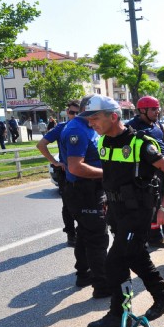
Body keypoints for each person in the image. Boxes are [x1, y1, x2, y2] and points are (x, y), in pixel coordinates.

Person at [81, 95, 164, 327]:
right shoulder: (103, 142)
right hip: (117, 212)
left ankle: (118, 313)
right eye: (89, 119)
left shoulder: (140, 143)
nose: (91, 123)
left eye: (94, 118)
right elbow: (111, 175)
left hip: (138, 214)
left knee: (114, 262)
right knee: (136, 257)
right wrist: (107, 200)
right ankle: (161, 299)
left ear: (113, 117)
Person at [60, 94, 110, 298]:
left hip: (92, 188)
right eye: (102, 113)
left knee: (85, 235)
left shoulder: (89, 127)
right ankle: (103, 285)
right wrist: (109, 174)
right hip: (84, 190)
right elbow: (76, 167)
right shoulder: (76, 130)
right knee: (98, 237)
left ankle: (84, 273)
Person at [127, 96, 164, 245]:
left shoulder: (156, 124)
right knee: (154, 203)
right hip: (149, 172)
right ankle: (155, 237)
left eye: (157, 108)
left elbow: (161, 142)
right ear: (142, 110)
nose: (157, 111)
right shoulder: (132, 127)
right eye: (153, 109)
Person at [36, 100, 80, 248]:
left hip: (84, 172)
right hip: (65, 173)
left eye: (77, 112)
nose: (74, 115)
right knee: (68, 206)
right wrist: (55, 162)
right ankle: (71, 234)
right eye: (71, 112)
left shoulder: (89, 126)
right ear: (67, 113)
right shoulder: (61, 128)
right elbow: (41, 145)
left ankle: (84, 232)